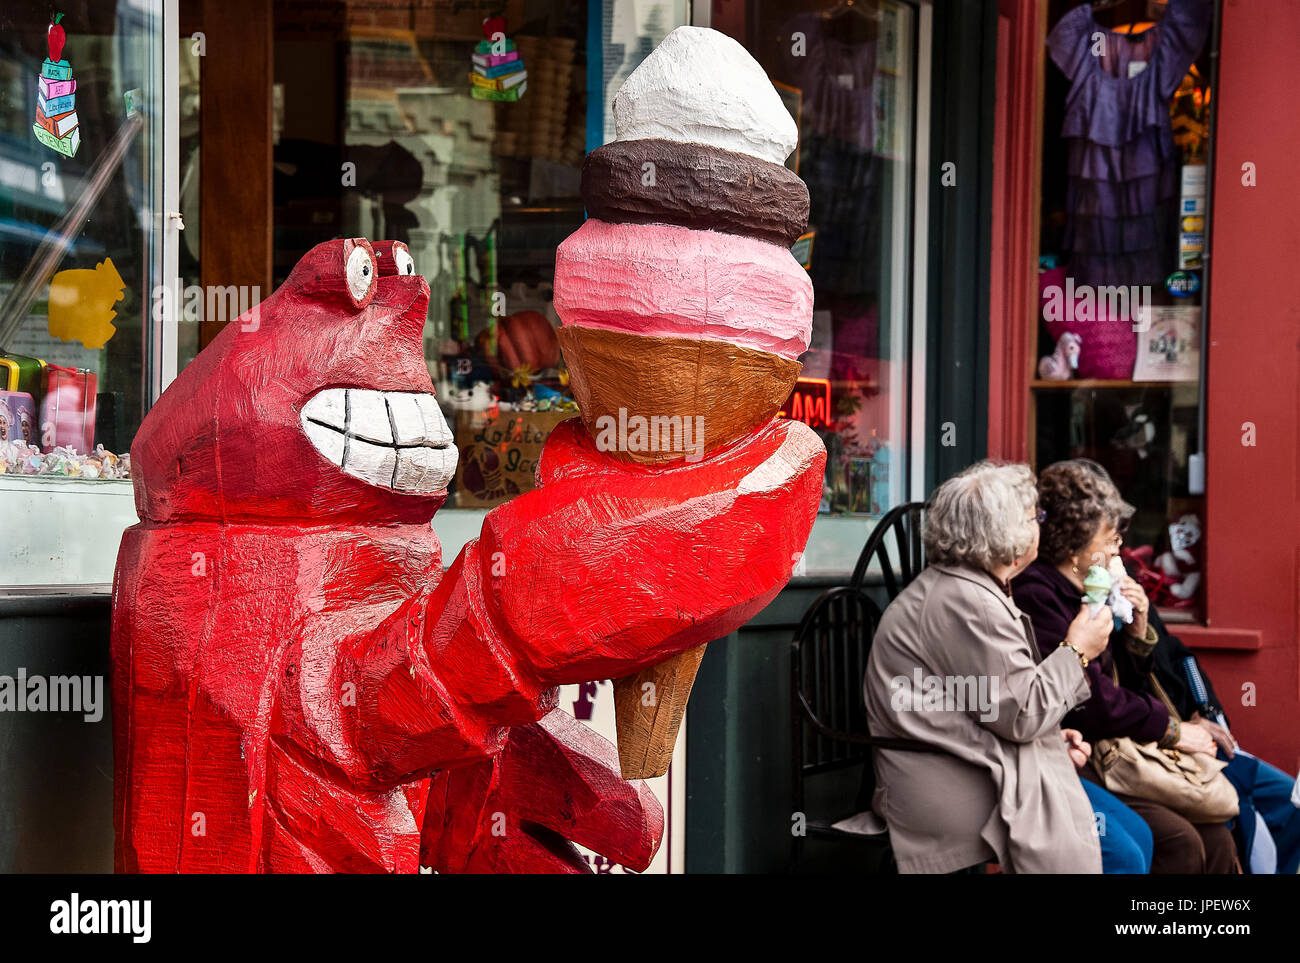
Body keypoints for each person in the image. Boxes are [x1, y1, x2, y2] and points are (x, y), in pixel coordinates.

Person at [863, 461, 1112, 873]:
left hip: (960, 761)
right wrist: (1077, 650)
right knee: (1122, 848)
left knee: (1127, 837)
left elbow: (993, 703)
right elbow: (1021, 715)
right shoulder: (968, 601)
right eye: (1036, 517)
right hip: (945, 782)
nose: (1041, 525)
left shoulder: (964, 589)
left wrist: (1052, 735)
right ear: (1006, 534)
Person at [1012, 460, 1239, 874]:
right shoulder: (1038, 596)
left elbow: (1139, 682)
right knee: (1179, 840)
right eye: (1110, 538)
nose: (1120, 549)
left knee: (1219, 836)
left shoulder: (1102, 588)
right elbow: (1091, 702)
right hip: (1081, 753)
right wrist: (1170, 729)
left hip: (1123, 749)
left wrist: (1137, 634)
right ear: (1073, 542)